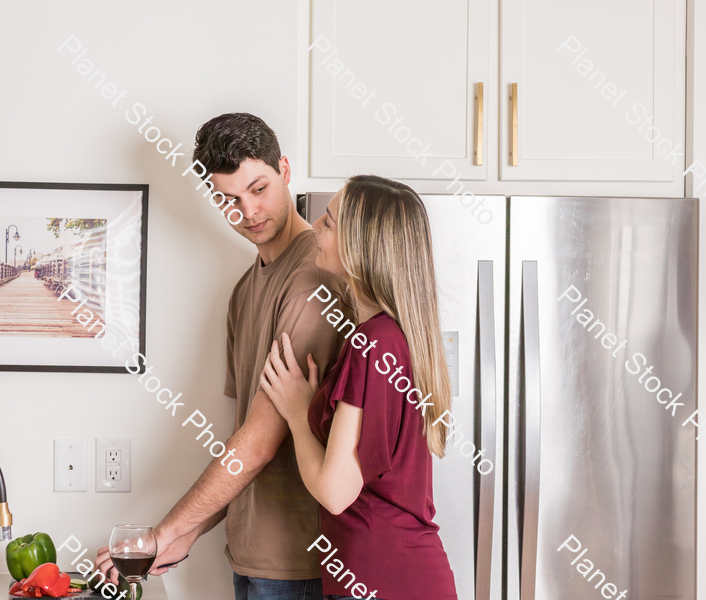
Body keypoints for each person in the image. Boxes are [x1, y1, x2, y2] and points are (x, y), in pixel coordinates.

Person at [95, 113, 354, 600]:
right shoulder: (243, 289)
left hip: (300, 563)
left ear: (285, 169)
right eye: (228, 199)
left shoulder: (312, 280)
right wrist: (186, 536)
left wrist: (164, 531)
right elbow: (242, 440)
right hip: (250, 555)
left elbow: (260, 440)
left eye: (258, 188)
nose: (248, 211)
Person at [260, 175, 458, 600]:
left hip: (381, 578)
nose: (314, 225)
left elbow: (335, 492)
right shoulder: (389, 336)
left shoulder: (374, 342)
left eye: (329, 222)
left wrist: (297, 414)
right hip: (391, 573)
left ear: (359, 248)